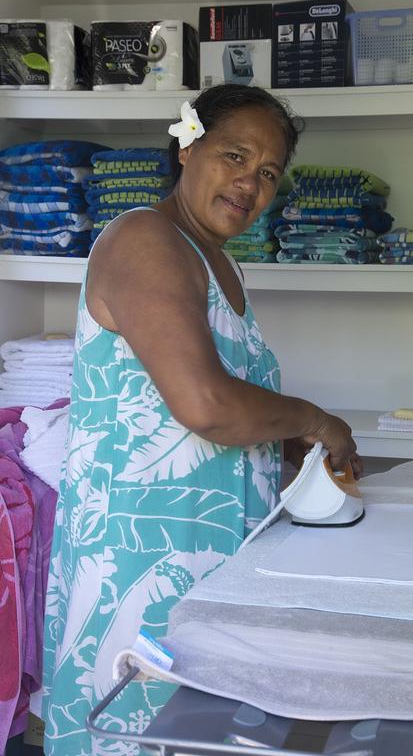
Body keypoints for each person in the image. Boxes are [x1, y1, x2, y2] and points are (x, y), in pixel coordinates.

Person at [42, 83, 361, 755]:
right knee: (138, 734)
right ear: (187, 146)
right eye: (235, 155)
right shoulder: (145, 239)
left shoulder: (214, 261)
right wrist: (315, 419)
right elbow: (206, 406)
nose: (251, 182)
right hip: (138, 567)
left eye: (269, 172)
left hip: (204, 564)